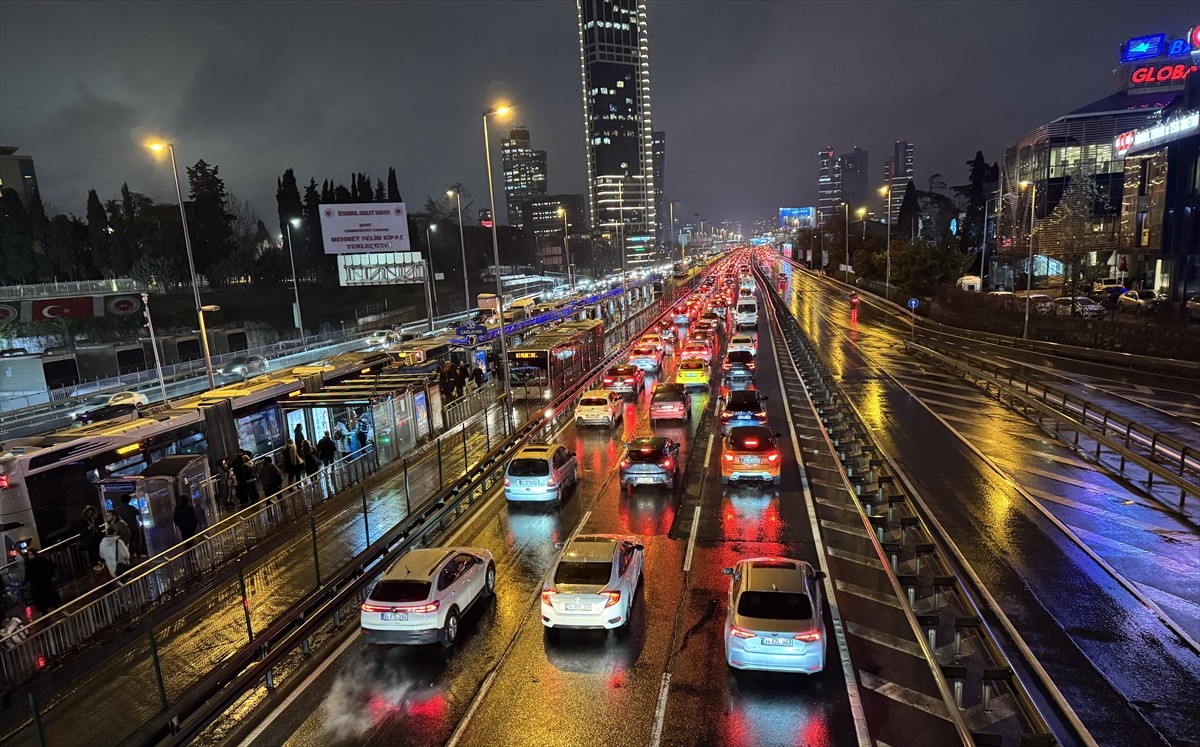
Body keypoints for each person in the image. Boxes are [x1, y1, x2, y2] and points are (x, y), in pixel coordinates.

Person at [22, 548, 60, 615]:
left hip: (43, 580)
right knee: (40, 598)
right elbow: (27, 573)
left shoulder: (40, 560)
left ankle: (53, 606)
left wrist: (48, 573)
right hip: (36, 583)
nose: (30, 556)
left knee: (48, 594)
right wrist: (26, 581)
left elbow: (51, 565)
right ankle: (44, 611)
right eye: (29, 555)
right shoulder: (28, 563)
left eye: (31, 554)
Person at [76, 505, 104, 571]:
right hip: (89, 539)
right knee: (92, 552)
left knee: (99, 550)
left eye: (91, 512)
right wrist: (87, 528)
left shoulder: (94, 518)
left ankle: (101, 562)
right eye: (88, 512)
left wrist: (96, 518)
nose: (90, 514)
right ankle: (95, 565)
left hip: (96, 536)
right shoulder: (82, 521)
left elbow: (99, 525)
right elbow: (80, 531)